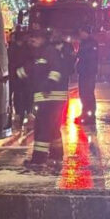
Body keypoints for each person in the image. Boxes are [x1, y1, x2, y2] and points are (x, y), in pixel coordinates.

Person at [16, 30, 69, 172]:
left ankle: (39, 159)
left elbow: (56, 70)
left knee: (42, 127)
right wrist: (13, 76)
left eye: (35, 38)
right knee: (52, 128)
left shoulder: (49, 51)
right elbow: (31, 69)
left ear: (42, 39)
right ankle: (56, 155)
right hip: (49, 96)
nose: (31, 41)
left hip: (51, 96)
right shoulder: (39, 53)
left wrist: (48, 85)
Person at [8, 31, 32, 127]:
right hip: (17, 76)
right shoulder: (15, 48)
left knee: (23, 94)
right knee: (19, 95)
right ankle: (21, 113)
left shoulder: (17, 48)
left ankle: (23, 113)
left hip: (22, 76)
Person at [75, 26, 99, 124]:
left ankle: (90, 115)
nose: (80, 35)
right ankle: (85, 113)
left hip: (88, 73)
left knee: (88, 94)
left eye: (81, 32)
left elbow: (88, 57)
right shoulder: (85, 43)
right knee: (83, 94)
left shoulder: (91, 43)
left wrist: (78, 54)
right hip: (84, 72)